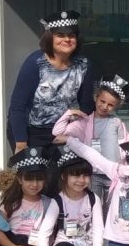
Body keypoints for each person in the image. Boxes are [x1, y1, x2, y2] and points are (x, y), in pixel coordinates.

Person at [6, 10, 97, 157]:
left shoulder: (84, 65)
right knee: (36, 172)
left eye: (71, 35)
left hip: (64, 131)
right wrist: (21, 143)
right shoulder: (35, 63)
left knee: (68, 171)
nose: (67, 39)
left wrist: (78, 132)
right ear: (49, 38)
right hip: (30, 132)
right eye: (60, 35)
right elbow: (17, 106)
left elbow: (86, 106)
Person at [51, 74, 129, 209]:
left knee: (112, 208)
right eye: (102, 101)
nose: (105, 106)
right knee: (94, 206)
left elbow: (124, 145)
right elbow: (57, 132)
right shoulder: (84, 122)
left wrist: (123, 166)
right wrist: (69, 113)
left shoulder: (117, 122)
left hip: (113, 173)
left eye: (110, 105)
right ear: (96, 98)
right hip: (93, 174)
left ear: (116, 106)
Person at [37, 151, 103, 246]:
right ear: (63, 176)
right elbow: (44, 232)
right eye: (75, 175)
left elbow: (98, 228)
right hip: (65, 245)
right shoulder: (57, 201)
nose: (81, 180)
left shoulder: (93, 199)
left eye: (85, 175)